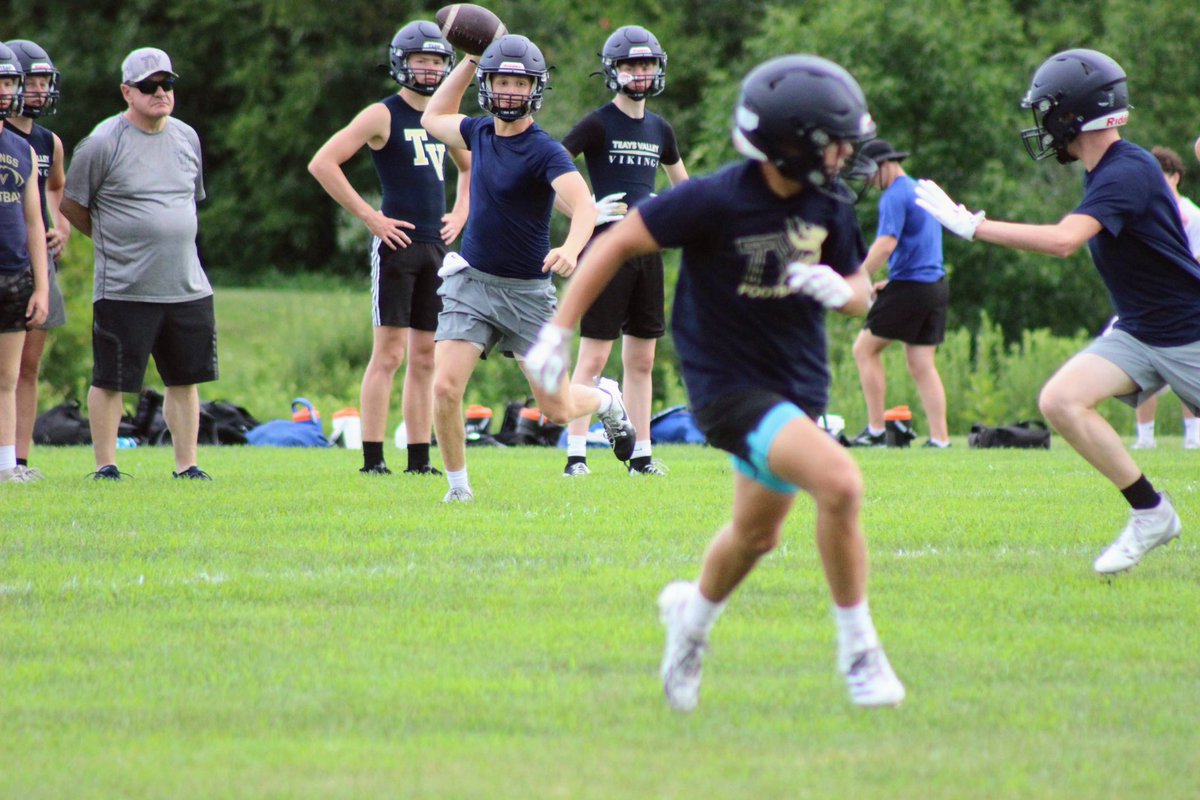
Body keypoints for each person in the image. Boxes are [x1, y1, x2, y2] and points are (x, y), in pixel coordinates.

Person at [527, 54, 906, 709]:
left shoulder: (829, 201)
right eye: (836, 141)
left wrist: (836, 287)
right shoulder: (714, 198)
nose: (848, 154)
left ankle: (690, 623)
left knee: (757, 535)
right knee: (842, 483)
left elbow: (860, 294)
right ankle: (860, 653)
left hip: (798, 386)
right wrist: (559, 333)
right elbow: (615, 244)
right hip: (727, 387)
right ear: (791, 144)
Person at [915, 49, 1200, 574]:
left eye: (1047, 110)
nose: (1042, 123)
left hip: (1188, 333)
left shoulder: (1128, 169)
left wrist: (974, 226)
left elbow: (1065, 241)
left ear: (1073, 113)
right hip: (1141, 332)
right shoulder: (1105, 170)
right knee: (1061, 400)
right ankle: (1151, 513)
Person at [419, 34, 635, 504]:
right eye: (502, 81)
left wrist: (572, 249)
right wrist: (471, 58)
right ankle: (458, 490)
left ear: (536, 89)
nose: (511, 91)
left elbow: (583, 206)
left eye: (521, 83)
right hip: (471, 283)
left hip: (527, 296)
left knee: (556, 407)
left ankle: (606, 400)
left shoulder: (545, 150)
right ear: (488, 85)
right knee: (445, 388)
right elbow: (432, 117)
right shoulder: (478, 133)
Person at [309, 21, 471, 476]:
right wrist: (371, 217)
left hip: (435, 249)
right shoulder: (382, 114)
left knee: (425, 357)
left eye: (437, 61)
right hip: (395, 246)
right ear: (402, 63)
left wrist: (460, 213)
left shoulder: (442, 117)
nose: (429, 69)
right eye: (421, 60)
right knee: (389, 355)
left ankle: (419, 459)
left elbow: (470, 165)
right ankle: (373, 458)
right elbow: (323, 163)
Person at [61, 47, 216, 481]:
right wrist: (113, 240)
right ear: (127, 92)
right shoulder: (102, 143)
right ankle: (106, 465)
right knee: (112, 379)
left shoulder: (186, 137)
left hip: (186, 283)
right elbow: (72, 204)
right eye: (149, 86)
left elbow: (188, 201)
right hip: (124, 285)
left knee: (184, 379)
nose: (160, 93)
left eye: (167, 84)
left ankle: (187, 465)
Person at [558, 25, 689, 478]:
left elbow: (685, 191)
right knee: (594, 358)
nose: (640, 73)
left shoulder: (660, 128)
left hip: (647, 252)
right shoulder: (598, 123)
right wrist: (586, 212)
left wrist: (672, 217)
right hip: (605, 252)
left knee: (642, 360)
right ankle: (576, 455)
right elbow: (549, 170)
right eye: (631, 65)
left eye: (647, 64)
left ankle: (641, 457)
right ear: (613, 71)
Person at [849, 138, 950, 448]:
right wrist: (891, 283)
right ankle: (940, 439)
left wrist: (859, 278)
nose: (867, 180)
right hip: (934, 287)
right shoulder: (920, 189)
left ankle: (876, 432)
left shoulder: (894, 195)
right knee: (921, 364)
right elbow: (919, 249)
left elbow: (885, 245)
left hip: (912, 286)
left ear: (884, 166)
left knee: (864, 350)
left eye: (869, 172)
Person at [5, 40, 69, 481]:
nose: (41, 90)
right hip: (8, 258)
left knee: (25, 367)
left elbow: (55, 188)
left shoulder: (47, 142)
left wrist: (60, 226)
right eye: (34, 81)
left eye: (47, 82)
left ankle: (19, 460)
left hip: (35, 264)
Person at [0, 42, 50, 483]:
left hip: (14, 275)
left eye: (9, 82)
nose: (6, 90)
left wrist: (41, 286)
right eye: (0, 82)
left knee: (8, 377)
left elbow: (35, 223)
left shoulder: (23, 149)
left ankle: (6, 466)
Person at [1127, 146, 1200, 450]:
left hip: (1185, 301)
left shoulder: (1191, 215)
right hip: (1151, 300)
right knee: (1143, 369)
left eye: (1163, 174)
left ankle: (1193, 436)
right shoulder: (1144, 212)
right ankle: (1145, 438)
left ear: (1176, 177)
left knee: (1187, 370)